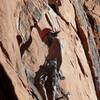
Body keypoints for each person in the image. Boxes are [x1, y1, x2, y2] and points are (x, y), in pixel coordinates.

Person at [38, 28, 65, 100]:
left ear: (49, 35)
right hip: (49, 66)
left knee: (42, 84)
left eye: (44, 39)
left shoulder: (56, 41)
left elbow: (59, 57)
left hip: (52, 67)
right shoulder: (52, 43)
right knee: (43, 84)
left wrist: (57, 70)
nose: (44, 42)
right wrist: (37, 26)